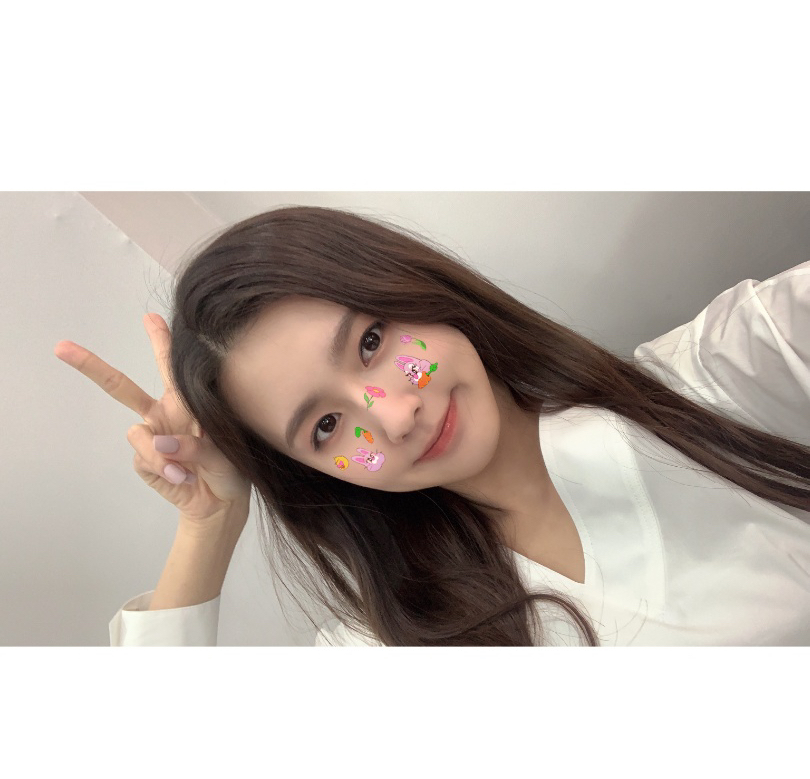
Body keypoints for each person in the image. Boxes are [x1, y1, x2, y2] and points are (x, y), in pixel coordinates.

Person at [55, 206, 810, 646]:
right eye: (326, 425)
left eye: (371, 343)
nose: (394, 414)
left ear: (413, 288)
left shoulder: (715, 377)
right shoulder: (394, 640)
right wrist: (208, 526)